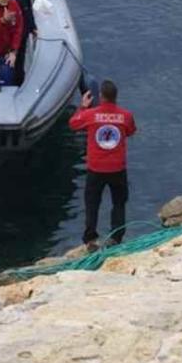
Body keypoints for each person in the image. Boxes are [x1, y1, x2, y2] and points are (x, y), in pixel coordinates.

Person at [69, 80, 136, 250]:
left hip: (96, 169)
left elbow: (73, 124)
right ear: (116, 97)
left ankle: (91, 239)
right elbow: (130, 131)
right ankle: (117, 237)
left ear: (101, 96)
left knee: (92, 204)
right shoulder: (126, 116)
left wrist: (83, 106)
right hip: (118, 169)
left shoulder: (91, 114)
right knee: (119, 203)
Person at [11, 0, 40, 86]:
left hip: (22, 34)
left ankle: (18, 80)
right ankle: (17, 83)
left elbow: (28, 13)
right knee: (17, 62)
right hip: (17, 37)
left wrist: (32, 28)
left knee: (20, 61)